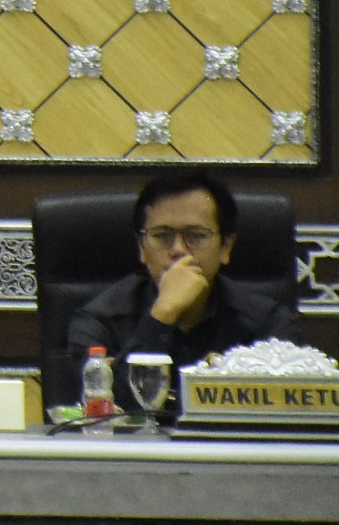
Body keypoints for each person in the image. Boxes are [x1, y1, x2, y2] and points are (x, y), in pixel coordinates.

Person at [63, 170, 302, 403]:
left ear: (226, 248)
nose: (178, 250)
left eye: (196, 236)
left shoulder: (266, 321)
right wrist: (162, 315)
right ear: (141, 248)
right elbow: (108, 409)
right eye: (162, 235)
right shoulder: (98, 321)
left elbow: (287, 408)